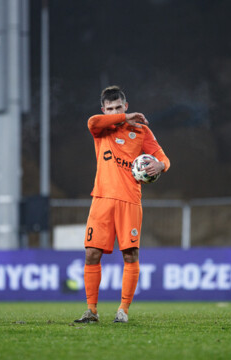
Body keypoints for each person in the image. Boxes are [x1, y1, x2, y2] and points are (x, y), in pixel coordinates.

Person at [74, 86, 170, 323]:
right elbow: (92, 121)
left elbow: (164, 158)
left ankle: (123, 310)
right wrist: (125, 118)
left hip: (129, 201)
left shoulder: (141, 131)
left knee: (130, 254)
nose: (115, 111)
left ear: (125, 105)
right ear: (104, 110)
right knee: (92, 253)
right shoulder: (101, 129)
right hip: (102, 199)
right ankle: (91, 311)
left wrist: (160, 166)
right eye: (111, 109)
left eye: (119, 107)